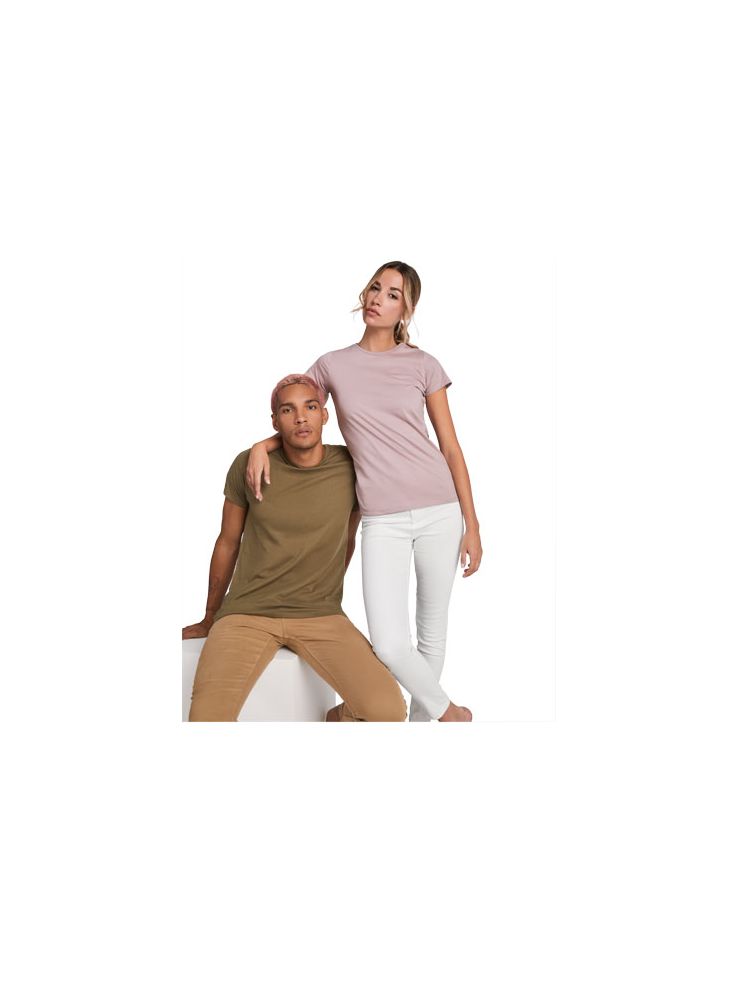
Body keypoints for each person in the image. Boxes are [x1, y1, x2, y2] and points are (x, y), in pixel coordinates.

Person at [246, 262, 481, 722]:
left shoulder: (423, 365)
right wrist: (263, 445)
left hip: (440, 508)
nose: (378, 298)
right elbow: (301, 415)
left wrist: (471, 524)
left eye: (393, 294)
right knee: (391, 644)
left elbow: (450, 447)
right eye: (376, 287)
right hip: (382, 517)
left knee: (431, 634)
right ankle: (449, 714)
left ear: (405, 310)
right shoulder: (332, 365)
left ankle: (420, 726)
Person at [183, 374, 407, 723]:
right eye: (288, 410)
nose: (301, 418)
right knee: (206, 719)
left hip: (321, 615)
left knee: (388, 712)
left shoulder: (352, 466)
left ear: (325, 415)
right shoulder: (249, 464)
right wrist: (210, 615)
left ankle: (334, 720)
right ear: (275, 421)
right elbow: (227, 542)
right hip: (247, 614)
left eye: (310, 407)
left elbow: (349, 537)